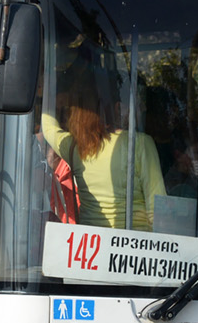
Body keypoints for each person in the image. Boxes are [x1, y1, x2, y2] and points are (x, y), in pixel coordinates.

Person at [40, 70, 165, 231]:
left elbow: (48, 127)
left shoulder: (75, 147)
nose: (142, 109)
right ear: (117, 108)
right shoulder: (140, 144)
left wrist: (53, 90)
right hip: (135, 250)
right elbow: (158, 212)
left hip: (92, 249)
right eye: (138, 104)